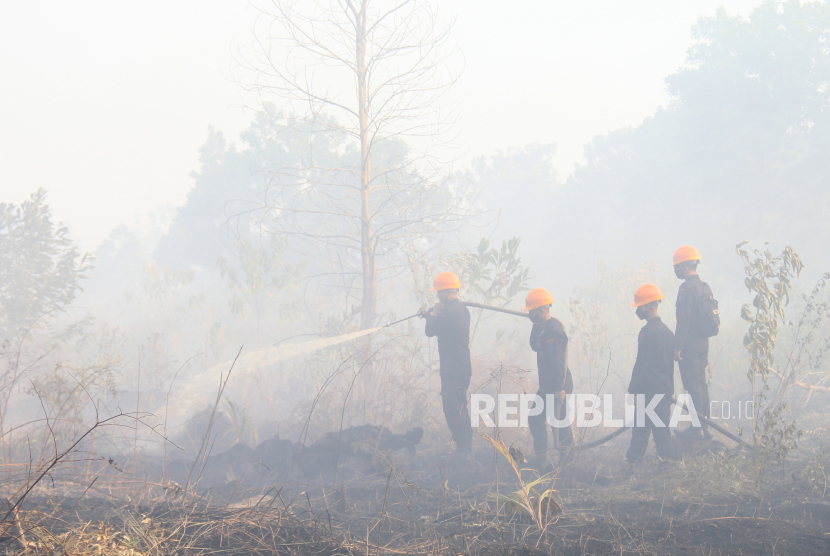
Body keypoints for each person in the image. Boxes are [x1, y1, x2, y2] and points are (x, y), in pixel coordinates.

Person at [419, 272, 473, 454]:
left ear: (446, 293)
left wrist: (433, 313)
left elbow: (430, 331)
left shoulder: (448, 313)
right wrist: (433, 315)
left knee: (452, 407)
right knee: (460, 407)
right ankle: (466, 449)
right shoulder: (461, 309)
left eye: (438, 292)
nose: (437, 296)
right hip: (461, 366)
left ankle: (463, 449)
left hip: (453, 368)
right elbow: (439, 324)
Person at [626, 284, 679, 463]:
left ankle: (630, 469)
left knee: (640, 433)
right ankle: (668, 470)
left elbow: (642, 364)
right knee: (662, 433)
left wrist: (634, 390)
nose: (637, 311)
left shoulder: (647, 333)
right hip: (663, 390)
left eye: (639, 307)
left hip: (648, 392)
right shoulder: (668, 333)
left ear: (651, 307)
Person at [523, 288, 574, 469]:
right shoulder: (543, 328)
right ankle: (543, 460)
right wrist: (535, 324)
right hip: (549, 384)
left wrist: (560, 388)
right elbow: (534, 346)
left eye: (532, 311)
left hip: (556, 384)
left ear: (542, 311)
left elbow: (558, 360)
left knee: (558, 423)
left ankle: (567, 463)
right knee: (539, 419)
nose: (529, 314)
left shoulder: (553, 331)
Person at [673, 245, 717, 440]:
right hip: (703, 346)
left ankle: (697, 429)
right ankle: (704, 426)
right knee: (701, 384)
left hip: (689, 347)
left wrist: (678, 347)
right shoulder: (704, 287)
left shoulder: (686, 288)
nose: (675, 270)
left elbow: (684, 321)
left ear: (685, 267)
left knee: (692, 386)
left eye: (676, 267)